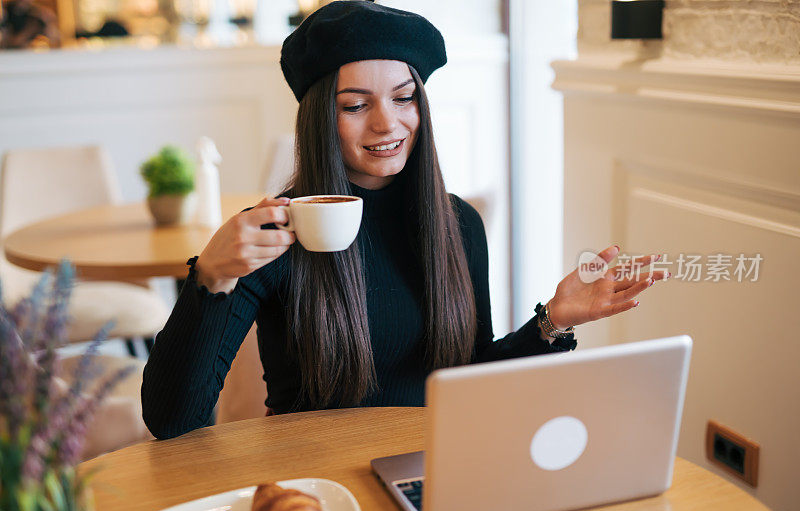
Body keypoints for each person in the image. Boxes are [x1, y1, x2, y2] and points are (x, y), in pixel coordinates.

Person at [142, 1, 667, 440]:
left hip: (428, 467)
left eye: (403, 97)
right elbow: (173, 422)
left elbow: (466, 383)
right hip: (314, 479)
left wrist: (553, 320)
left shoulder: (458, 223)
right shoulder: (272, 233)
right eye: (355, 105)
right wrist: (211, 277)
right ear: (321, 117)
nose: (386, 123)